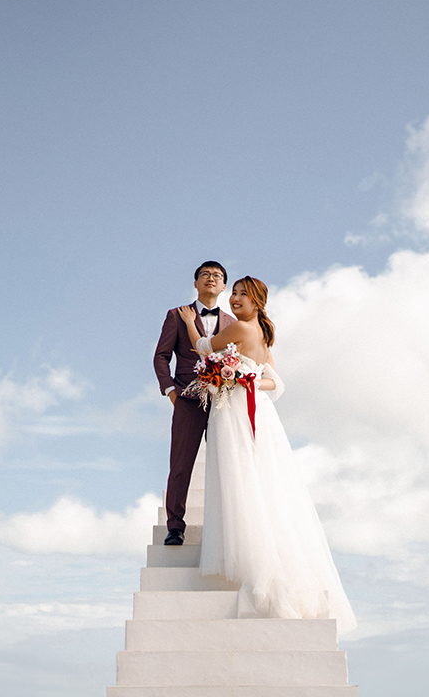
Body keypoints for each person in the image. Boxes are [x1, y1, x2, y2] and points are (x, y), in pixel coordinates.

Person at [178, 276, 357, 634]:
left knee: (236, 471)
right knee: (259, 474)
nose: (236, 299)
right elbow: (276, 381)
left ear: (258, 300)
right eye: (235, 295)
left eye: (243, 294)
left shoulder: (242, 329)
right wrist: (247, 379)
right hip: (257, 406)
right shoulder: (262, 333)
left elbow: (203, 345)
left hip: (236, 411)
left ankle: (248, 554)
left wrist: (188, 323)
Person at [153, 261, 237, 546]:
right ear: (195, 282)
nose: (211, 278)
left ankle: (227, 525)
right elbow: (161, 356)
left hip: (224, 403)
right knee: (180, 464)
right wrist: (171, 392)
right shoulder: (177, 315)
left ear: (224, 285)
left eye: (217, 276)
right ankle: (175, 526)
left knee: (227, 463)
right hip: (187, 400)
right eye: (205, 274)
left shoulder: (233, 323)